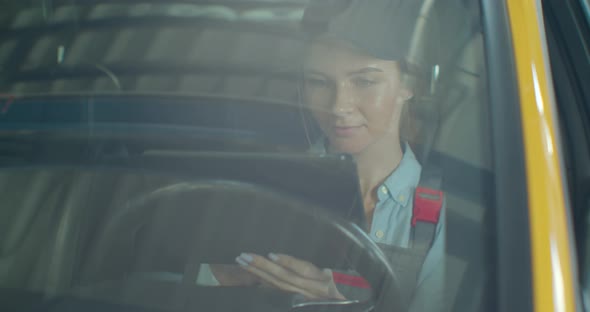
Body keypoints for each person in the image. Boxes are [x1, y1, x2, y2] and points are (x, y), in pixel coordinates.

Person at [199, 1, 445, 311]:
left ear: (408, 84)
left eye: (365, 81)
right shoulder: (260, 182)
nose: (338, 106)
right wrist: (221, 277)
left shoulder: (438, 215)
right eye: (318, 81)